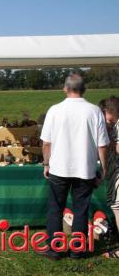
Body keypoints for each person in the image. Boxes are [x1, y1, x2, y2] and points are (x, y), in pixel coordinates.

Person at [40, 73, 109, 260]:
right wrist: (103, 168)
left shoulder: (54, 110)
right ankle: (78, 250)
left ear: (65, 88)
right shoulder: (94, 111)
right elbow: (102, 145)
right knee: (81, 210)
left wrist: (46, 164)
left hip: (58, 168)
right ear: (84, 89)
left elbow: (46, 143)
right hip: (84, 169)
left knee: (55, 209)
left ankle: (54, 249)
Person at [98, 96, 119, 258]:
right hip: (113, 173)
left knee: (118, 208)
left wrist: (110, 142)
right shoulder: (112, 125)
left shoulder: (117, 126)